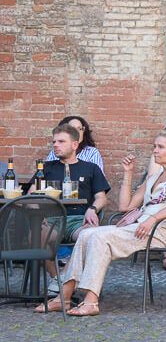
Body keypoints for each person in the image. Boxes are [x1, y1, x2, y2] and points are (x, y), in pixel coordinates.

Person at [36, 129, 166, 317]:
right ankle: (64, 297)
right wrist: (128, 174)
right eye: (154, 146)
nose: (155, 150)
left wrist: (151, 219)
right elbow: (124, 206)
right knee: (87, 233)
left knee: (100, 238)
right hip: (137, 228)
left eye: (160, 147)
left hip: (157, 231)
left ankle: (90, 301)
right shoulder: (153, 178)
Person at [41, 124, 110, 290]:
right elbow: (31, 194)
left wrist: (92, 209)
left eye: (61, 141)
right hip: (52, 219)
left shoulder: (90, 168)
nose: (56, 145)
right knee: (37, 233)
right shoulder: (46, 168)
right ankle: (56, 278)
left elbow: (101, 198)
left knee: (90, 236)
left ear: (74, 144)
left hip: (78, 219)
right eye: (54, 142)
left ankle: (66, 274)